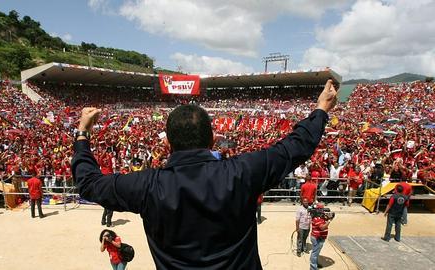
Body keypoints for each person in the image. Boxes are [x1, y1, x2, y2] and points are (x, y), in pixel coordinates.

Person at [72, 80, 338, 269]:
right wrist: (321, 110)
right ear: (212, 141)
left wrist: (83, 131)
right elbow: (295, 146)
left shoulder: (147, 185)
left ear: (168, 144)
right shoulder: (242, 172)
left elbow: (88, 182)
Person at [310, 203, 333, 270]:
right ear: (318, 209)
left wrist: (327, 218)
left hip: (320, 237)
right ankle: (313, 268)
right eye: (321, 209)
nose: (323, 210)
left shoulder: (320, 216)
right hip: (317, 238)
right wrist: (329, 221)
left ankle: (315, 264)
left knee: (316, 252)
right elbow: (322, 228)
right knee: (315, 253)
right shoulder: (316, 218)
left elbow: (323, 221)